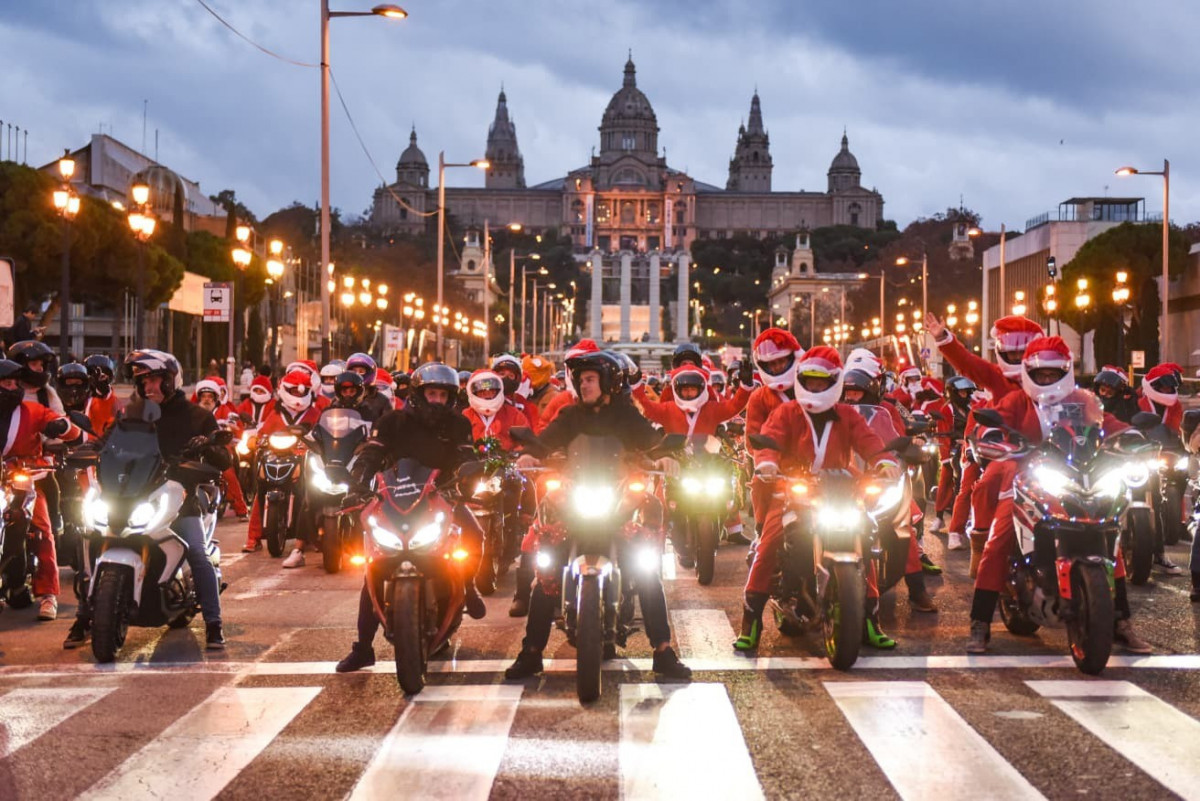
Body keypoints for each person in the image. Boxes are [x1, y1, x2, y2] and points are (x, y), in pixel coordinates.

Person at [503, 351, 692, 680]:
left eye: (591, 378)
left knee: (646, 571)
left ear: (608, 382)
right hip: (575, 502)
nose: (584, 384)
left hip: (618, 505)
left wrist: (665, 457)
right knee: (546, 573)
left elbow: (652, 442)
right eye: (581, 379)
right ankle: (531, 652)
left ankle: (663, 651)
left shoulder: (626, 415)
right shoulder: (571, 415)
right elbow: (545, 441)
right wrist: (530, 454)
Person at [965, 336, 1150, 655]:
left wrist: (1132, 436)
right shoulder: (1017, 400)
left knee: (1110, 536)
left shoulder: (1082, 401)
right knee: (1000, 538)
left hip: (1080, 476)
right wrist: (991, 434)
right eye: (1042, 373)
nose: (1048, 378)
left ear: (1066, 372)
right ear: (1029, 373)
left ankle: (1121, 621)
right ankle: (980, 623)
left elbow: (1107, 423)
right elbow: (994, 422)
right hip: (1029, 477)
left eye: (1054, 373)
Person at [65, 349, 229, 649]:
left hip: (179, 499)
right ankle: (83, 616)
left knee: (197, 551)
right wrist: (90, 450)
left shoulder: (198, 416)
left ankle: (214, 624)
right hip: (129, 495)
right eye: (143, 381)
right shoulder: (131, 414)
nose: (148, 386)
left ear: (170, 380)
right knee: (87, 537)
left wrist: (209, 446)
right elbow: (108, 442)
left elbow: (224, 459)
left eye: (154, 380)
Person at [742, 346, 903, 651]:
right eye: (810, 382)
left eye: (821, 382)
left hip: (841, 490)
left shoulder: (847, 414)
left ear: (835, 382)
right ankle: (750, 622)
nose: (815, 388)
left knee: (862, 545)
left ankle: (870, 621)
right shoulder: (786, 412)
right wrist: (767, 463)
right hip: (793, 489)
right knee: (769, 543)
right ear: (801, 381)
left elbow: (870, 441)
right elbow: (769, 440)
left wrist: (885, 461)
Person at [335, 362, 487, 673]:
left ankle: (468, 585)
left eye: (443, 395)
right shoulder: (391, 421)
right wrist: (356, 483)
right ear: (418, 394)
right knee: (374, 564)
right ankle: (363, 648)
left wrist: (468, 482)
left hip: (442, 496)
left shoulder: (458, 424)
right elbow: (371, 454)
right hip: (395, 498)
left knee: (475, 535)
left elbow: (466, 458)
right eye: (432, 394)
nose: (437, 400)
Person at [0, 359, 80, 621]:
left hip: (25, 481)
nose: (12, 387)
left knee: (42, 529)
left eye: (15, 382)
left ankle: (48, 594)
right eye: (5, 382)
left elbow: (66, 427)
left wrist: (64, 428)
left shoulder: (32, 410)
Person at [242, 369, 323, 562]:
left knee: (315, 493)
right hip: (277, 458)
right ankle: (253, 537)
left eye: (301, 392)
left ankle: (317, 535)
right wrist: (255, 440)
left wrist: (311, 444)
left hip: (304, 460)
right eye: (293, 391)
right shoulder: (277, 412)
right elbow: (263, 433)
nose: (297, 396)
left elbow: (321, 434)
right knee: (261, 489)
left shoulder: (314, 413)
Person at [744, 329, 802, 539]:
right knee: (759, 485)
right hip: (776, 467)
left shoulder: (811, 388)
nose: (777, 367)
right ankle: (761, 531)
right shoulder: (759, 397)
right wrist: (767, 463)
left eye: (781, 361)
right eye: (771, 364)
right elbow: (752, 438)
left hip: (813, 463)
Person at [193, 379, 249, 522]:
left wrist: (230, 426)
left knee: (228, 474)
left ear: (216, 398)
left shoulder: (225, 410)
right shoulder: (193, 411)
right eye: (203, 396)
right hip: (196, 448)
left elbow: (237, 427)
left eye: (210, 397)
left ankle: (241, 510)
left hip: (218, 448)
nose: (206, 400)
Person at [492, 354, 541, 432]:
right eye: (502, 374)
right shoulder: (484, 398)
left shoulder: (521, 402)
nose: (506, 378)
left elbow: (533, 430)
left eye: (511, 375)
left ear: (517, 379)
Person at [83, 355, 122, 437]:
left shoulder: (110, 398)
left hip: (99, 442)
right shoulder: (83, 396)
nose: (99, 377)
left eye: (104, 375)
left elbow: (106, 398)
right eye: (92, 373)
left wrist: (102, 390)